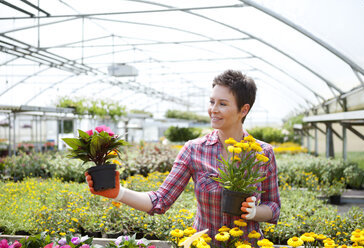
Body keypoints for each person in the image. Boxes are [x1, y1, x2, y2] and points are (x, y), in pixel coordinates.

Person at [85, 70, 281, 247]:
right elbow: (160, 200)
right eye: (212, 102)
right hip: (205, 244)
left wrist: (254, 212)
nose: (213, 109)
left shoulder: (262, 154)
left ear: (243, 110)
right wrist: (118, 193)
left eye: (223, 104)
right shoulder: (194, 150)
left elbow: (273, 206)